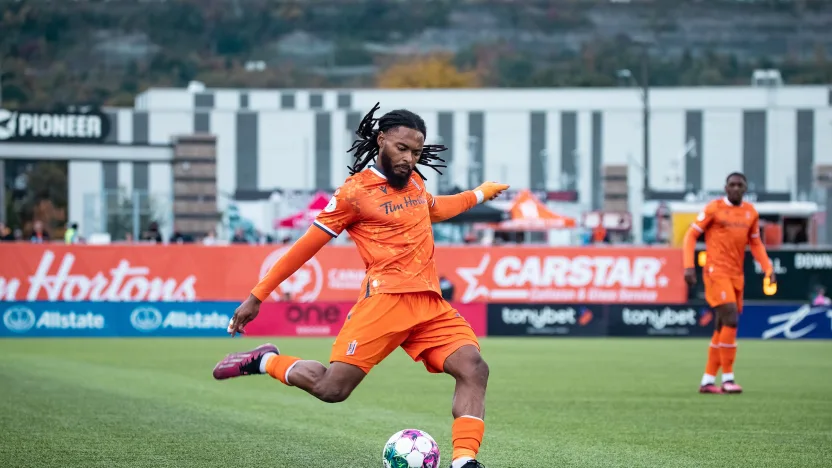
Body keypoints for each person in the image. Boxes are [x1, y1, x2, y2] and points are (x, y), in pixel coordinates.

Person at [213, 103, 508, 468]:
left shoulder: (415, 183)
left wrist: (480, 193)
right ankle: (266, 361)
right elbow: (304, 248)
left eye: (416, 152)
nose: (409, 159)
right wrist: (257, 296)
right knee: (331, 389)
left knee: (474, 367)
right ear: (381, 140)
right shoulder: (354, 193)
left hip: (429, 305)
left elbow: (437, 208)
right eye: (402, 148)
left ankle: (464, 461)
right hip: (384, 303)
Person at [683, 172, 775, 395]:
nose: (735, 188)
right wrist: (688, 266)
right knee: (731, 318)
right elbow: (690, 235)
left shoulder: (750, 213)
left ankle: (707, 381)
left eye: (739, 185)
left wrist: (768, 268)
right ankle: (728, 378)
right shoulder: (714, 208)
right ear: (725, 188)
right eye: (731, 184)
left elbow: (756, 244)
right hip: (716, 272)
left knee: (721, 326)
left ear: (745, 188)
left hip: (736, 275)